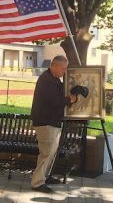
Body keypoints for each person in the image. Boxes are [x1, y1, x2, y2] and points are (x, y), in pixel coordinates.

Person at [29, 55, 79, 193]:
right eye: (63, 69)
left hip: (52, 121)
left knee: (51, 152)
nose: (64, 71)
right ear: (54, 66)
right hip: (45, 122)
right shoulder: (46, 80)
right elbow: (55, 101)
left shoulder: (54, 79)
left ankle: (45, 176)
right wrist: (69, 99)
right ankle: (37, 182)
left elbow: (59, 95)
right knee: (46, 153)